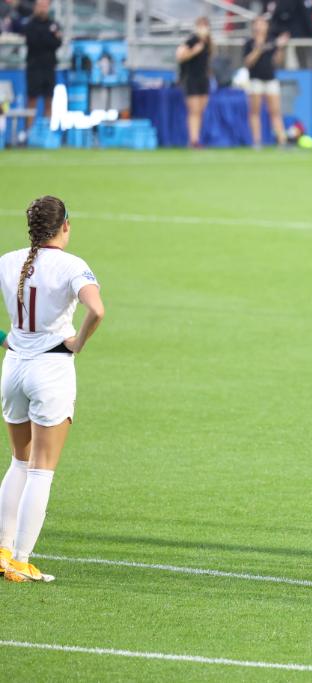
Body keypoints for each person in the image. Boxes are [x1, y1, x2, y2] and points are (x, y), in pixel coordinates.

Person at [0, 196, 105, 583]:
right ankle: (22, 560)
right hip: (51, 368)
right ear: (65, 226)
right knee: (42, 471)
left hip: (13, 368)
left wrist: (3, 338)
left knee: (19, 462)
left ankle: (2, 550)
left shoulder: (8, 261)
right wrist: (78, 343)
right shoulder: (71, 265)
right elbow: (97, 310)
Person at [243, 17, 289, 148]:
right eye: (257, 24)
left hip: (270, 79)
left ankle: (282, 140)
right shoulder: (249, 42)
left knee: (275, 111)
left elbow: (277, 61)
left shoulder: (272, 41)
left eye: (263, 24)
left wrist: (280, 48)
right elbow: (247, 62)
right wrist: (258, 48)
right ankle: (257, 141)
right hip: (255, 79)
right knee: (255, 111)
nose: (260, 27)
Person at [22, 0, 61, 132]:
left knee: (49, 100)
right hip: (34, 67)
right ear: (35, 7)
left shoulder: (54, 24)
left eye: (45, 6)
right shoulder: (30, 25)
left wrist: (47, 39)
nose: (43, 9)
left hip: (49, 67)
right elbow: (33, 42)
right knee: (32, 100)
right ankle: (29, 133)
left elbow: (57, 43)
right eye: (40, 6)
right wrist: (48, 38)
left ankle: (46, 133)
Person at [176, 16, 214, 149]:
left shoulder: (208, 42)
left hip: (203, 79)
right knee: (194, 110)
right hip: (191, 78)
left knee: (200, 110)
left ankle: (196, 138)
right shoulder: (192, 40)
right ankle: (193, 140)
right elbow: (180, 56)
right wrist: (193, 52)